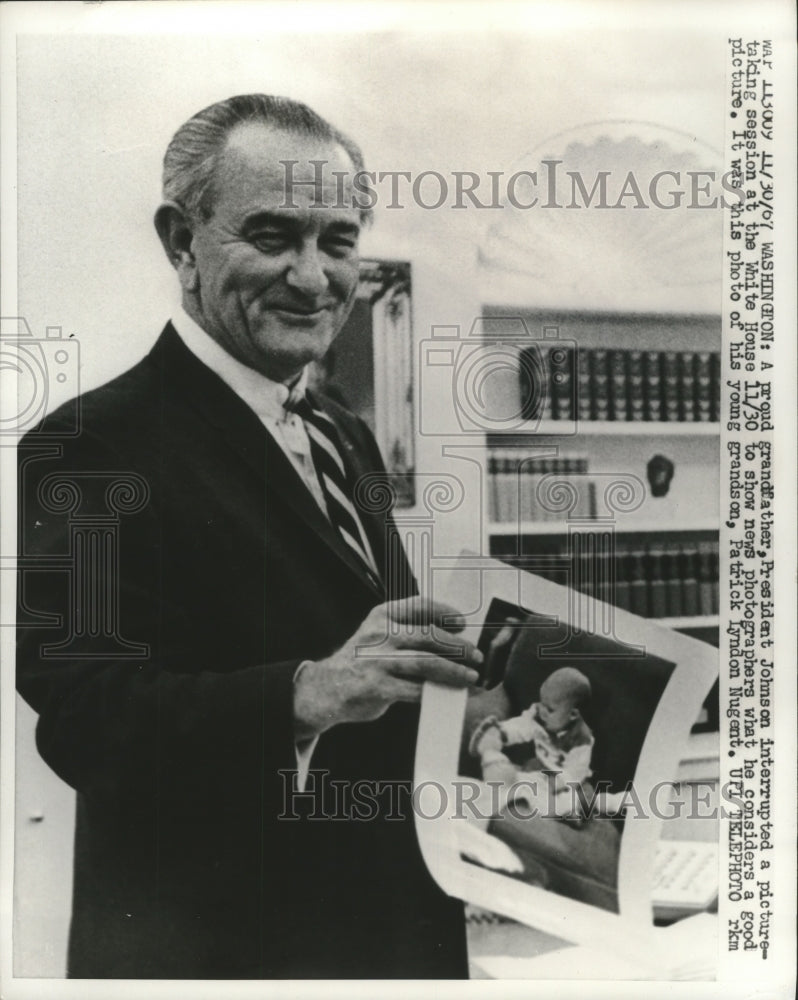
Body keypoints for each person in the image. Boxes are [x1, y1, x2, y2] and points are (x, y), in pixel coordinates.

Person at [16, 94, 482, 979]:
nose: (313, 278)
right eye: (272, 236)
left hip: (392, 934)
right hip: (223, 952)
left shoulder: (340, 428)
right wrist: (305, 694)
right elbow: (85, 721)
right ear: (180, 240)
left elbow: (372, 665)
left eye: (338, 241)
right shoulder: (90, 445)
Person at [469, 666, 594, 816]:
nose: (541, 710)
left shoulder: (581, 739)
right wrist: (500, 733)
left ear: (573, 714)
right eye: (541, 703)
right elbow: (522, 726)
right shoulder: (538, 716)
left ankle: (570, 810)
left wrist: (557, 782)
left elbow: (575, 771)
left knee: (584, 795)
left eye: (549, 709)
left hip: (569, 778)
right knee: (523, 776)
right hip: (540, 767)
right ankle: (534, 798)